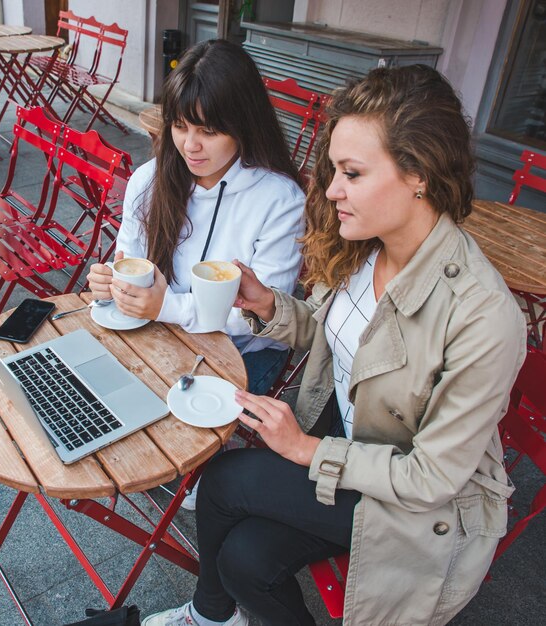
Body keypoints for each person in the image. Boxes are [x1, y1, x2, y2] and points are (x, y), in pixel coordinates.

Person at [141, 65, 527, 626]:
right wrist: (268, 305)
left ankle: (210, 616)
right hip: (349, 440)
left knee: (225, 479)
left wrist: (305, 451)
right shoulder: (364, 248)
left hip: (415, 506)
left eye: (351, 173)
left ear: (419, 173)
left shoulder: (482, 314)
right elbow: (338, 334)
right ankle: (215, 614)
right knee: (247, 561)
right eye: (333, 170)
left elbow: (432, 479)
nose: (330, 190)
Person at [86, 39, 305, 396]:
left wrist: (165, 306)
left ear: (243, 125)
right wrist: (113, 284)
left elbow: (259, 316)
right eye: (180, 126)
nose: (190, 145)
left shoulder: (280, 201)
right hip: (165, 331)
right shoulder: (150, 180)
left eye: (209, 131)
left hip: (242, 351)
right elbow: (130, 262)